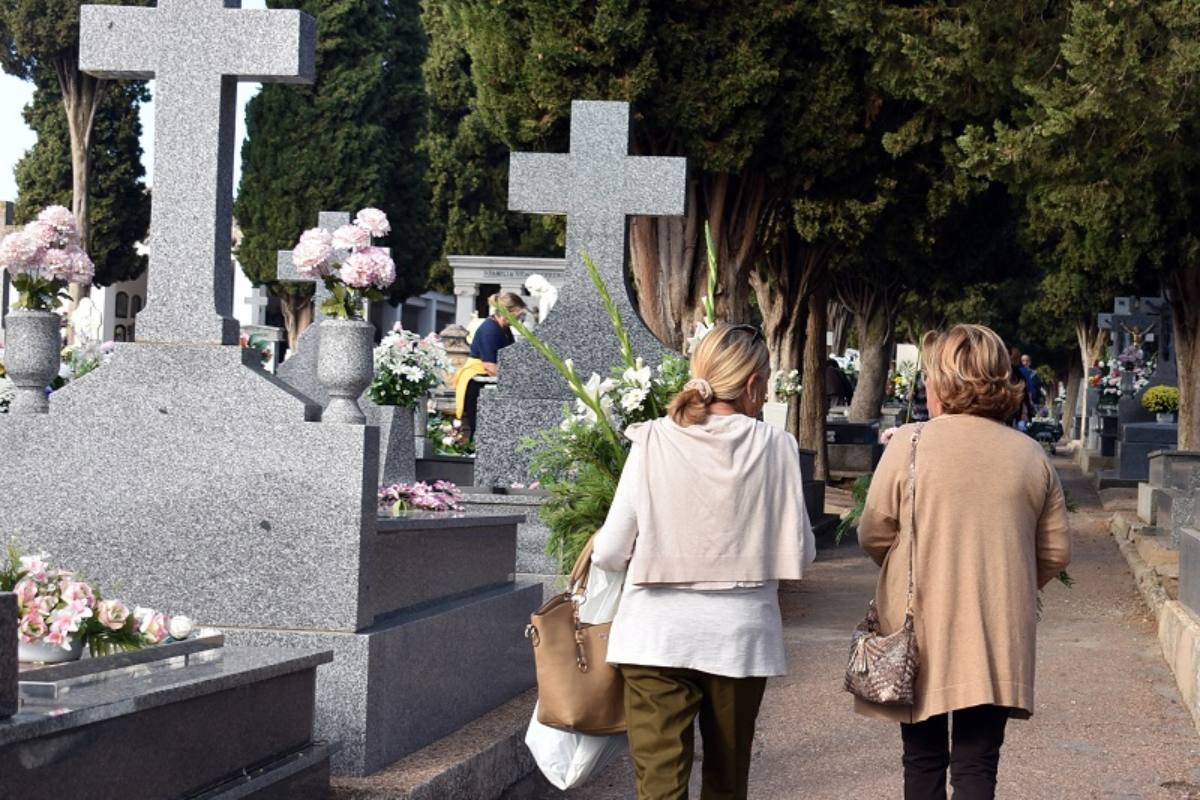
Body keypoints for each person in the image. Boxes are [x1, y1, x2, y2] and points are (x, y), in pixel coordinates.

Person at [592, 323, 816, 800]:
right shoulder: (777, 447)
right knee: (727, 781)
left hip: (654, 636)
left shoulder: (651, 439)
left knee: (658, 787)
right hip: (739, 638)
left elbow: (611, 550)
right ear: (755, 385)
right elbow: (800, 553)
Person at [855, 324, 1071, 800]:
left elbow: (873, 533)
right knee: (978, 766)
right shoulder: (1030, 455)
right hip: (997, 631)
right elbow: (1055, 552)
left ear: (943, 382)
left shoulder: (908, 444)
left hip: (920, 629)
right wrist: (1005, 580)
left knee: (922, 759)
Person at [453, 292, 527, 437]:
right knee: (480, 431)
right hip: (478, 382)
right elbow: (490, 366)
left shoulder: (504, 329)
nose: (519, 320)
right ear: (507, 312)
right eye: (517, 316)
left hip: (488, 380)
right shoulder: (490, 330)